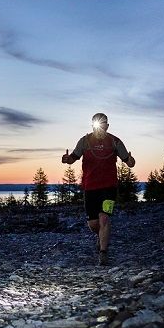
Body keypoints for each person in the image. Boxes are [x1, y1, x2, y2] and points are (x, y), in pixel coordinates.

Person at [61, 112, 136, 265]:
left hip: (109, 187)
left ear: (107, 126)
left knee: (104, 218)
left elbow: (128, 161)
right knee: (93, 224)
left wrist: (131, 161)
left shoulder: (115, 141)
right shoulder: (85, 141)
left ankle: (103, 253)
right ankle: (101, 235)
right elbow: (72, 158)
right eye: (97, 125)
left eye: (103, 125)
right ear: (93, 125)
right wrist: (66, 159)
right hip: (90, 187)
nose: (100, 128)